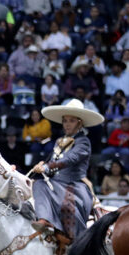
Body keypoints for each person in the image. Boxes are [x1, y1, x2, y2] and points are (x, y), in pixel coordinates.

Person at [30, 99, 104, 244]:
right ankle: (45, 220)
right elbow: (52, 161)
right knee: (37, 184)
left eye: (71, 121)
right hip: (55, 182)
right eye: (65, 121)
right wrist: (42, 165)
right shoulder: (59, 142)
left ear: (79, 123)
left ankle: (74, 239)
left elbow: (70, 159)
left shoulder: (83, 141)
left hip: (74, 184)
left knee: (67, 203)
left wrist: (46, 167)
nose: (67, 124)